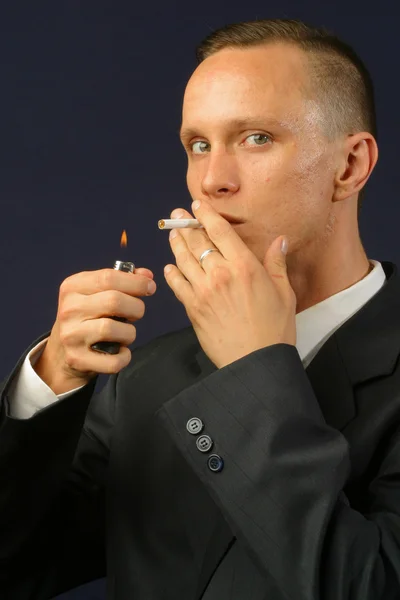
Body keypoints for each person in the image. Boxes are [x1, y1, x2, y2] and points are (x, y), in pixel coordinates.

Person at [0, 17, 398, 600]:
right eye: (198, 145)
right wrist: (49, 383)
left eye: (256, 137)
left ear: (349, 167)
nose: (212, 181)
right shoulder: (147, 379)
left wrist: (254, 369)